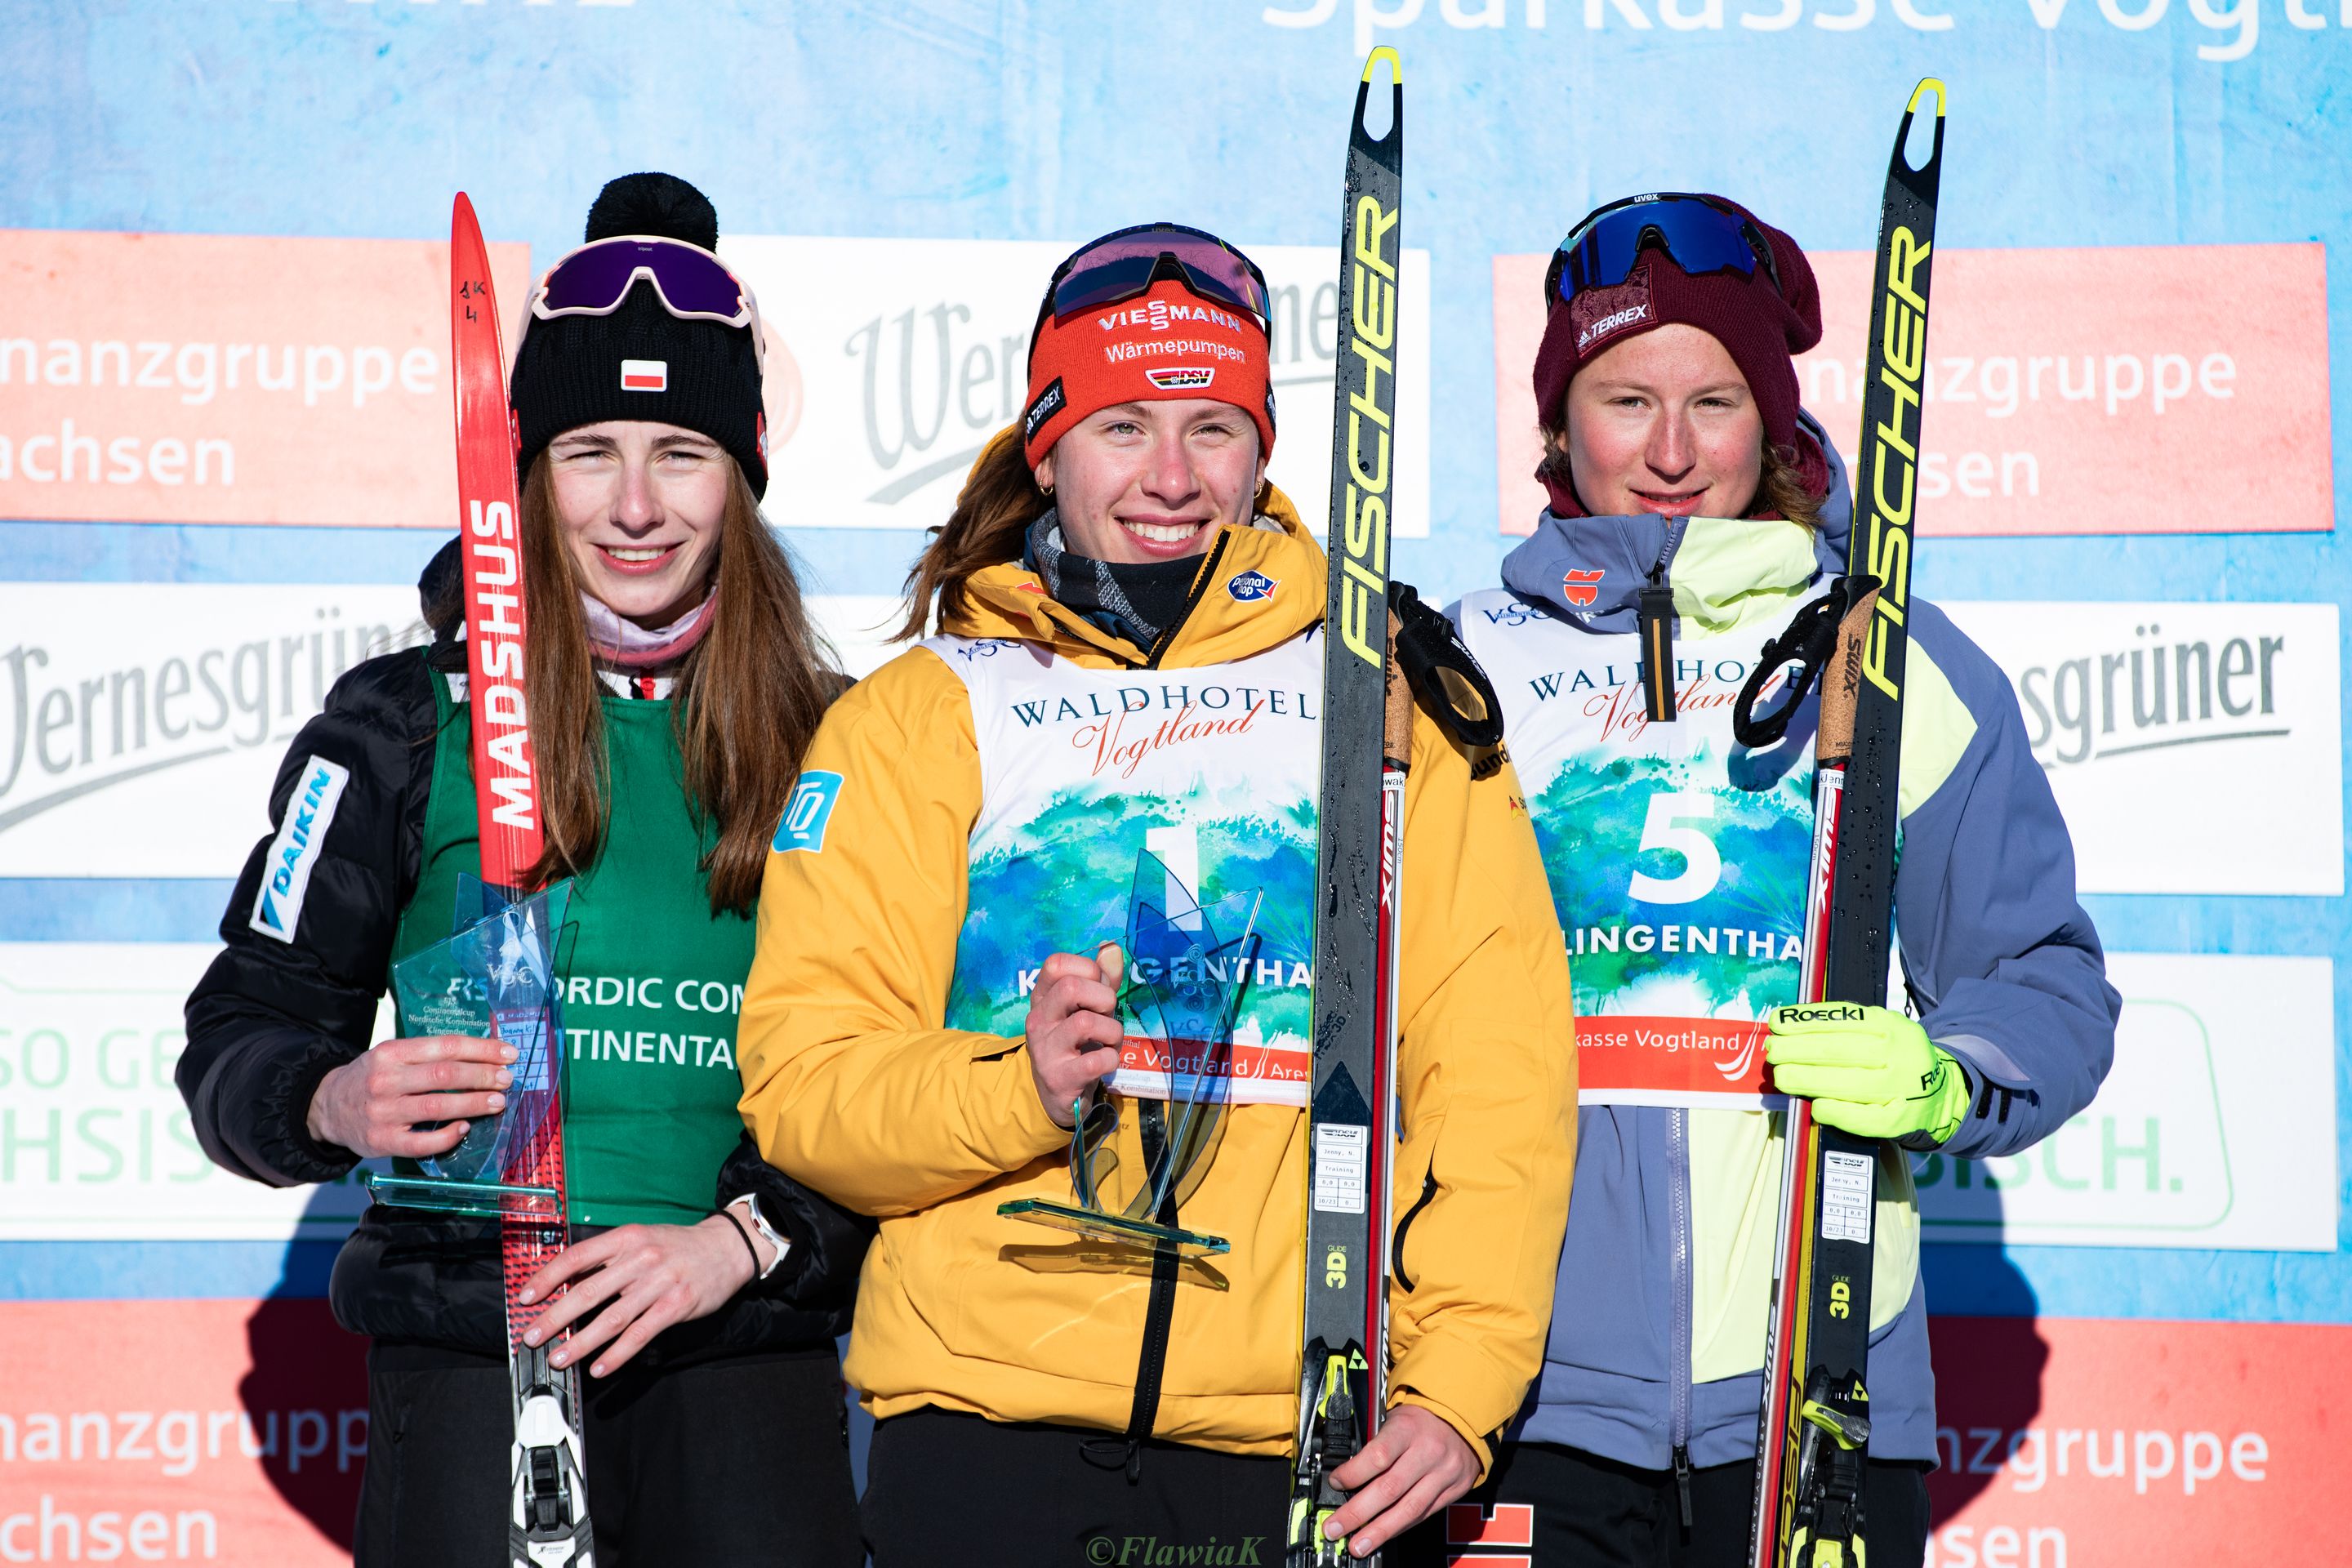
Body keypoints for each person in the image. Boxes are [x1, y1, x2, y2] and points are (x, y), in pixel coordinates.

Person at [735, 222, 1578, 1566]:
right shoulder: (922, 714)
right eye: (1124, 426)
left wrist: (1458, 1387)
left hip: (1303, 1443)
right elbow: (806, 1088)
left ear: (1263, 454)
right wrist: (1018, 1088)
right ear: (1046, 444)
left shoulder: (1390, 705)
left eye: (1213, 429)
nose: (1172, 478)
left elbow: (1497, 1077)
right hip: (981, 1440)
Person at [1419, 193, 2120, 1567]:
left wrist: (1947, 1070)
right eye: (1625, 400)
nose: (1672, 451)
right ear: (1559, 423)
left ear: (1775, 423)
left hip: (1821, 1389)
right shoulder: (1456, 671)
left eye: (1717, 401)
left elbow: (2041, 977)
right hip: (1510, 1395)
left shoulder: (1885, 660)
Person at [177, 172, 866, 1567]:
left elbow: (897, 1079)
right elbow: (236, 1040)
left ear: (741, 475)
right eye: (585, 451)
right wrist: (333, 1095)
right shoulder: (396, 722)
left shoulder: (839, 741)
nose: (633, 506)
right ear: (520, 470)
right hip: (473, 1347)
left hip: (739, 1362)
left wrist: (747, 1238)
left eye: (680, 453)